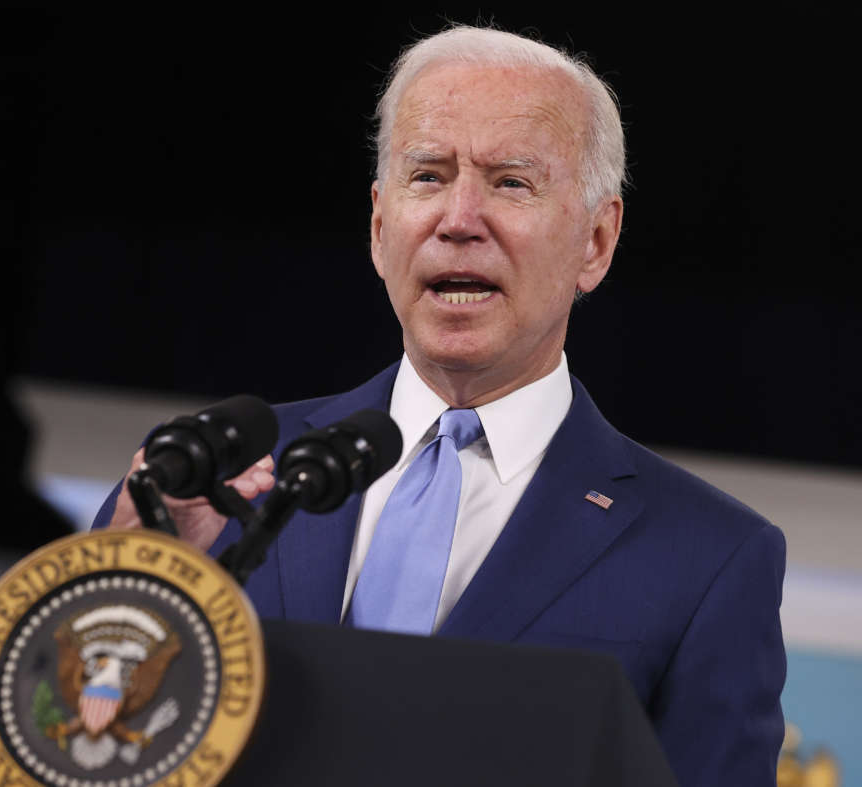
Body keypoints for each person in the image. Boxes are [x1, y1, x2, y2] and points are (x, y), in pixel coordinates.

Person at [95, 25, 785, 786]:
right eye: (427, 176)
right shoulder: (211, 479)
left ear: (596, 239)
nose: (458, 219)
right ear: (380, 225)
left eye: (510, 182)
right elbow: (80, 741)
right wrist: (126, 587)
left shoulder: (709, 560)